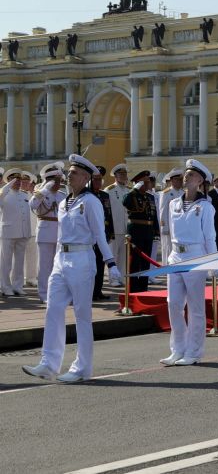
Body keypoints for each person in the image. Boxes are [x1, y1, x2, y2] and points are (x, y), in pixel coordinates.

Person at [22, 154, 120, 383]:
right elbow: (44, 215)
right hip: (61, 259)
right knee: (53, 309)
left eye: (74, 173)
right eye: (69, 172)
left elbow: (99, 234)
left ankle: (82, 368)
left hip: (81, 259)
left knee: (82, 315)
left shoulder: (91, 202)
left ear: (85, 177)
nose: (68, 175)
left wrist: (111, 263)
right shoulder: (64, 202)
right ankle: (48, 363)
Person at [160, 160, 216, 366]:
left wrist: (213, 263)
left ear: (200, 181)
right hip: (176, 256)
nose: (186, 177)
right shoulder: (173, 204)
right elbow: (171, 234)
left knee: (195, 307)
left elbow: (210, 237)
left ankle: (194, 351)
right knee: (173, 304)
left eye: (191, 175)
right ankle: (178, 348)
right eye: (186, 173)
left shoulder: (205, 207)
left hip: (195, 257)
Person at [30, 164, 66, 303]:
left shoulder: (62, 195)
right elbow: (33, 205)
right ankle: (44, 294)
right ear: (48, 180)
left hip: (60, 234)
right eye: (55, 181)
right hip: (45, 234)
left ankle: (57, 293)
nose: (57, 184)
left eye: (59, 181)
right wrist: (45, 188)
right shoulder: (41, 193)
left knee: (59, 266)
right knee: (45, 266)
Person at [123, 171, 157, 292]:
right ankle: (133, 289)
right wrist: (134, 190)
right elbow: (125, 202)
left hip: (148, 232)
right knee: (135, 262)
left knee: (145, 262)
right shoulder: (131, 195)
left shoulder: (150, 197)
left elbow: (153, 215)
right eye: (145, 182)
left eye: (149, 181)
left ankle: (143, 288)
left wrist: (156, 231)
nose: (148, 184)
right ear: (139, 183)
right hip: (136, 231)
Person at [1, 168, 33, 296]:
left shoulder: (24, 195)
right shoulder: (4, 194)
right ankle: (5, 287)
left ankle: (17, 286)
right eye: (15, 180)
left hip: (22, 232)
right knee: (6, 262)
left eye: (19, 180)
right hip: (8, 233)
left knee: (19, 262)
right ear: (9, 181)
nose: (18, 182)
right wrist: (8, 185)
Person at [90, 166, 115, 301]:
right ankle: (90, 291)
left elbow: (109, 215)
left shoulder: (105, 195)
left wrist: (111, 232)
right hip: (91, 236)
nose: (98, 182)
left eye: (100, 179)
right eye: (95, 179)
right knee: (91, 265)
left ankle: (98, 290)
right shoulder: (87, 195)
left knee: (100, 264)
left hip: (103, 234)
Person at [104, 164, 131, 286]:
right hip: (114, 227)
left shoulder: (129, 190)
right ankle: (113, 278)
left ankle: (122, 277)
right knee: (113, 255)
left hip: (126, 228)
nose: (124, 176)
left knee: (124, 256)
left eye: (125, 174)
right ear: (115, 176)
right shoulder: (109, 190)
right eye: (121, 174)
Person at [158, 169, 184, 262]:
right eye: (177, 179)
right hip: (169, 227)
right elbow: (162, 211)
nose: (180, 182)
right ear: (172, 180)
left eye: (181, 180)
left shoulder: (183, 193)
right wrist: (164, 228)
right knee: (168, 249)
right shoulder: (166, 193)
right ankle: (167, 267)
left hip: (180, 227)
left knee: (179, 251)